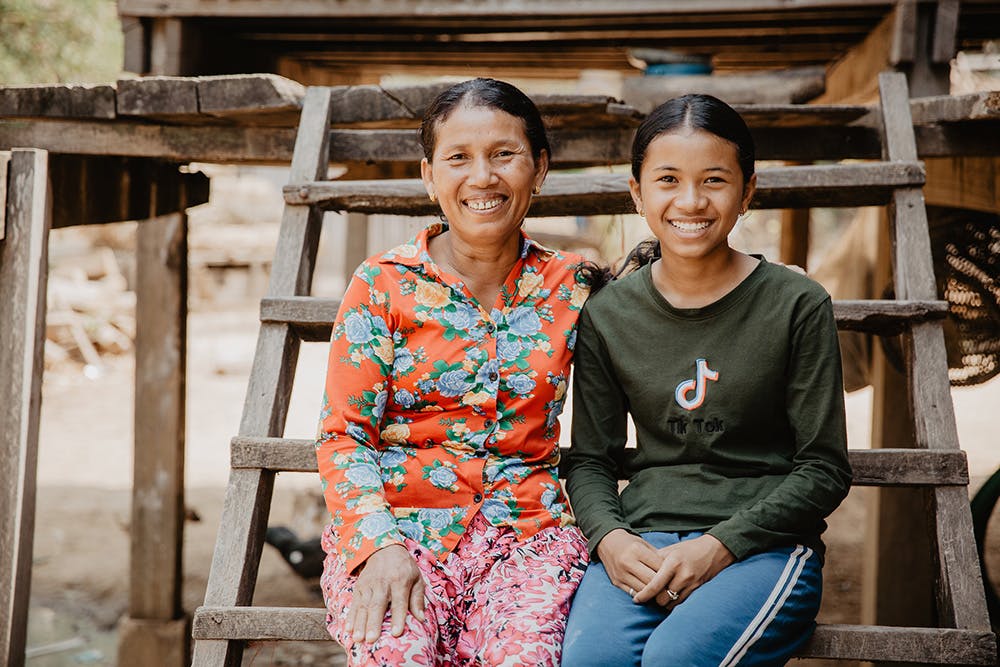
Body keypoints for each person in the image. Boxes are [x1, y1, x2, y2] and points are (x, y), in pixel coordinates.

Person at [315, 77, 599, 666]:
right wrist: (378, 547)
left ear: (539, 168)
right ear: (429, 176)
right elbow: (343, 436)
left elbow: (678, 295)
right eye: (459, 158)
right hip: (396, 533)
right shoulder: (383, 284)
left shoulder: (573, 286)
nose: (482, 178)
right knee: (396, 657)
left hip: (527, 540)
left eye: (504, 155)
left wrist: (762, 280)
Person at [561, 94, 853, 666]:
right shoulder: (608, 315)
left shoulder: (796, 304)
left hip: (763, 547)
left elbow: (824, 467)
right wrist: (611, 539)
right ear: (637, 192)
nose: (690, 201)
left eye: (714, 180)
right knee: (590, 660)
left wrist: (719, 547)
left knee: (676, 658)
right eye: (667, 179)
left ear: (747, 190)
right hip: (641, 542)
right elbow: (591, 458)